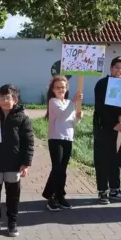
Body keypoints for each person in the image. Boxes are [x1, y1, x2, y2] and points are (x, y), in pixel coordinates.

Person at [0, 85, 34, 237]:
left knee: (13, 196)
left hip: (13, 163)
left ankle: (12, 224)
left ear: (15, 99)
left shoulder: (22, 118)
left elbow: (28, 142)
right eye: (1, 97)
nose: (4, 100)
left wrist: (25, 163)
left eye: (7, 97)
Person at [92, 56, 121, 204]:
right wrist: (112, 124)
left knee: (116, 159)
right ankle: (103, 191)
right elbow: (100, 108)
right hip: (104, 128)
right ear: (111, 68)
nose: (119, 71)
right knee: (102, 159)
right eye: (117, 67)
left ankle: (115, 189)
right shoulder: (102, 84)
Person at [42, 75, 82, 211]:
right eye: (58, 87)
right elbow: (62, 116)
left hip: (68, 138)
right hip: (55, 138)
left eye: (63, 87)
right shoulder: (53, 101)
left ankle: (60, 195)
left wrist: (78, 118)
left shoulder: (67, 102)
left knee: (63, 170)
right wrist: (74, 102)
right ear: (53, 89)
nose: (61, 90)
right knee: (57, 168)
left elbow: (71, 122)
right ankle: (51, 197)